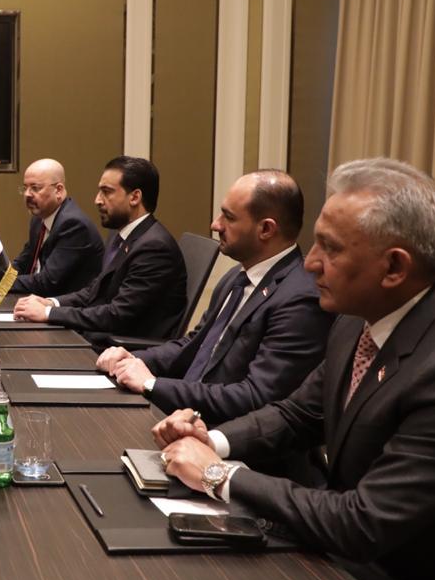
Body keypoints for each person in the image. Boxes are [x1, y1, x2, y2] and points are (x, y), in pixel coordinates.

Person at [154, 158, 435, 580]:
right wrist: (211, 439)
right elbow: (296, 414)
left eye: (329, 248)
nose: (309, 263)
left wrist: (220, 475)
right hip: (364, 562)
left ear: (394, 268)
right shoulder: (361, 320)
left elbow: (363, 522)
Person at [97, 170, 333, 424]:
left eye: (228, 217)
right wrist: (133, 359)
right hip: (181, 413)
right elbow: (193, 345)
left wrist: (152, 384)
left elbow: (255, 397)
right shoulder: (236, 277)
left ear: (266, 229)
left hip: (219, 433)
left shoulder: (300, 300)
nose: (215, 224)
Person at [13, 155, 187, 348]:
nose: (97, 200)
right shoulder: (121, 236)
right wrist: (52, 303)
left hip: (122, 350)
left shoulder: (154, 248)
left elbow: (117, 315)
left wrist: (48, 314)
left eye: (107, 192)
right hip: (101, 335)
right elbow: (94, 291)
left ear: (135, 197)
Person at [0, 158, 103, 295]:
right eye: (25, 188)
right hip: (40, 300)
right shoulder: (39, 220)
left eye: (35, 188)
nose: (27, 194)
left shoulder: (74, 225)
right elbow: (22, 264)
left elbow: (47, 282)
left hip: (69, 307)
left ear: (58, 190)